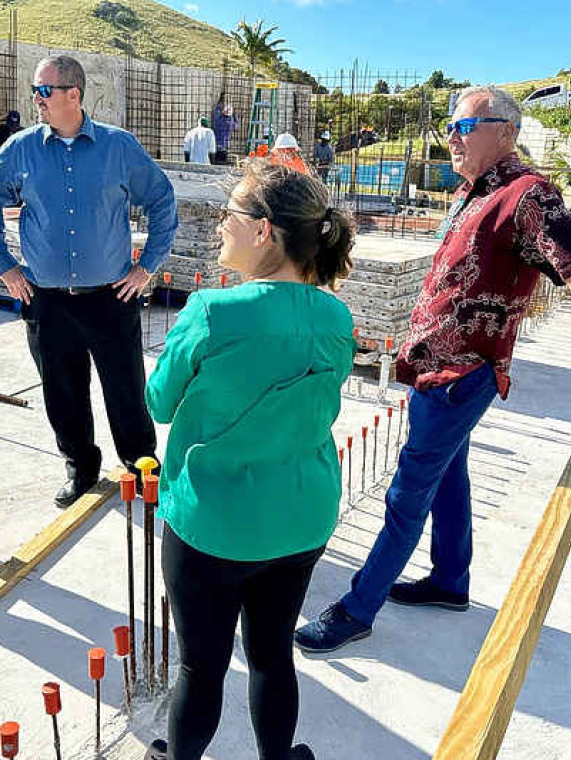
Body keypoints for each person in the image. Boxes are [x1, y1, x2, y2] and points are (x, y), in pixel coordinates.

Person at [294, 86, 571, 653]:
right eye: (450, 127)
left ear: (505, 131)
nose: (451, 137)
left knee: (408, 494)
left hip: (462, 376)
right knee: (450, 475)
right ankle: (451, 581)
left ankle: (358, 608)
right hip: (438, 372)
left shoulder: (529, 197)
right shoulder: (475, 192)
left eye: (464, 127)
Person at [143, 162, 356, 760]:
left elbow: (159, 402)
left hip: (214, 525)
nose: (219, 228)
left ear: (263, 231)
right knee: (271, 656)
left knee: (200, 670)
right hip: (300, 516)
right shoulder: (335, 316)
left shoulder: (212, 312)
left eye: (228, 216)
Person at [0, 55, 178, 506]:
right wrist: (5, 267)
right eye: (35, 91)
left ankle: (141, 464)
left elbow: (162, 201)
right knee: (62, 394)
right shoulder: (21, 149)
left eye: (43, 91)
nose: (36, 100)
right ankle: (80, 465)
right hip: (47, 300)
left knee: (125, 388)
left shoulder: (117, 148)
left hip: (110, 297)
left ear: (73, 95)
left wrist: (147, 268)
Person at [212, 93, 239, 165]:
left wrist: (219, 102)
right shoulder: (232, 123)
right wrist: (235, 115)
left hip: (216, 145)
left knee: (215, 163)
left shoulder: (218, 120)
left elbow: (216, 112)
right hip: (225, 146)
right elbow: (237, 125)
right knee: (223, 164)